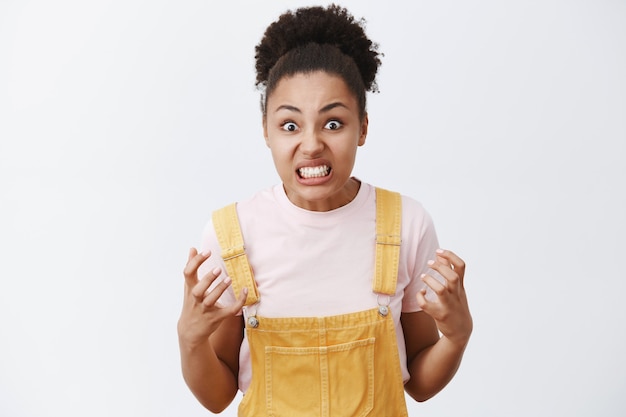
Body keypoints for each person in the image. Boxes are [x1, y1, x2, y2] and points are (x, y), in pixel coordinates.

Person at [177, 4, 472, 416]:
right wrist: (189, 338)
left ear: (362, 127)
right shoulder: (232, 235)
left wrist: (457, 336)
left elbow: (419, 385)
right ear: (266, 130)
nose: (312, 144)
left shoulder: (407, 224)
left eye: (333, 123)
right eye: (290, 125)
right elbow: (217, 396)